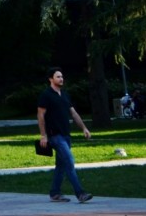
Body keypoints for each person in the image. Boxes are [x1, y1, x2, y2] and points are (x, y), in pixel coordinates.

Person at [37, 67, 94, 204]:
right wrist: (43, 135)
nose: (61, 79)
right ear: (51, 79)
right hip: (55, 136)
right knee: (69, 161)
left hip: (66, 135)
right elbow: (40, 115)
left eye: (62, 76)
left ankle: (55, 193)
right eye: (58, 77)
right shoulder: (46, 95)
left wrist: (84, 128)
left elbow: (73, 113)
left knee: (61, 165)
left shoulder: (65, 95)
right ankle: (80, 193)